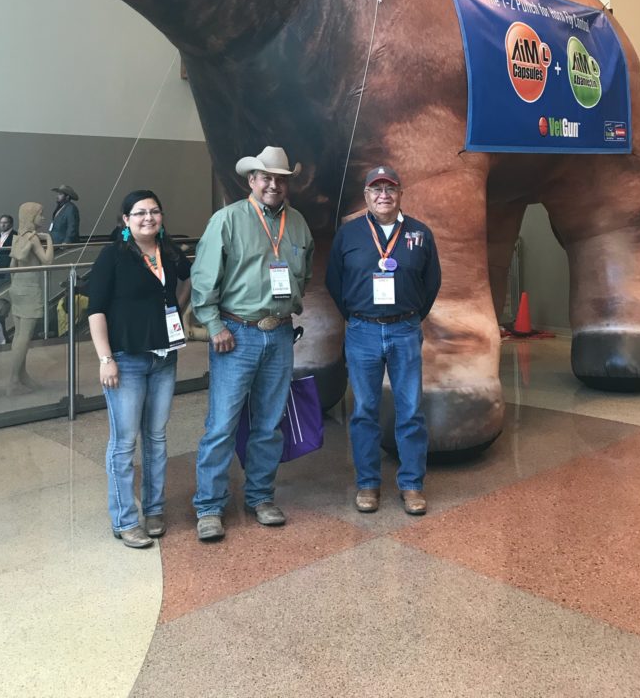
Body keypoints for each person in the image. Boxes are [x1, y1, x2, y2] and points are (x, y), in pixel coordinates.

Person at [191, 146, 314, 543]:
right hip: (236, 334)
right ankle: (210, 506)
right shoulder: (227, 220)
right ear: (252, 180)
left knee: (269, 423)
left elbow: (304, 275)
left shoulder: (298, 224)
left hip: (279, 334)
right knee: (222, 424)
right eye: (266, 178)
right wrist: (214, 326)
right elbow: (204, 279)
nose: (273, 185)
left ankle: (260, 497)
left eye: (280, 179)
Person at [325, 165, 441, 516]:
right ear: (366, 196)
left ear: (400, 193)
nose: (383, 195)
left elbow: (432, 282)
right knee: (364, 411)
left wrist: (411, 316)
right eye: (376, 189)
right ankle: (368, 484)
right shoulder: (349, 234)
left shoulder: (419, 233)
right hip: (362, 331)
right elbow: (334, 281)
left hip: (405, 330)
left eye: (390, 188)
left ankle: (412, 484)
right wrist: (356, 315)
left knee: (410, 410)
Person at [87, 189, 191, 549]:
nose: (148, 218)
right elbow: (96, 310)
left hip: (164, 358)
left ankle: (154, 509)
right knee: (124, 441)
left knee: (157, 437)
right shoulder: (113, 255)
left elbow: (186, 280)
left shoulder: (170, 252)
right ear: (126, 220)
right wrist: (106, 359)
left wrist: (176, 310)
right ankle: (125, 520)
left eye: (154, 211)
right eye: (140, 213)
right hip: (126, 360)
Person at [7, 202, 54, 394]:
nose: (43, 218)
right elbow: (48, 261)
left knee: (19, 335)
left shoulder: (19, 237)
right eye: (40, 214)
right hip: (30, 289)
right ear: (32, 216)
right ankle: (13, 380)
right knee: (24, 337)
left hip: (17, 287)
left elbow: (12, 267)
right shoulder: (33, 238)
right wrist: (49, 239)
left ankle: (21, 375)